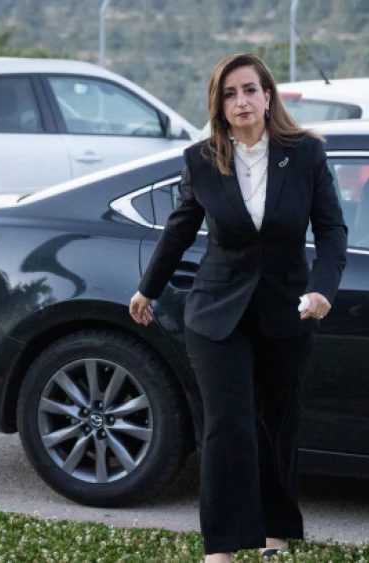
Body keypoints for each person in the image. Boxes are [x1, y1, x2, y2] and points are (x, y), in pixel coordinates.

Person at [129, 54, 347, 562]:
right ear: (219, 106)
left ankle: (273, 539)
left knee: (277, 423)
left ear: (267, 96)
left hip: (288, 310)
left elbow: (332, 231)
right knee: (226, 425)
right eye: (230, 94)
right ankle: (222, 550)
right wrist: (148, 289)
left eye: (250, 90)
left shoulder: (306, 154)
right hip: (215, 312)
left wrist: (322, 290)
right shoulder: (202, 160)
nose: (241, 101)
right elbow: (179, 230)